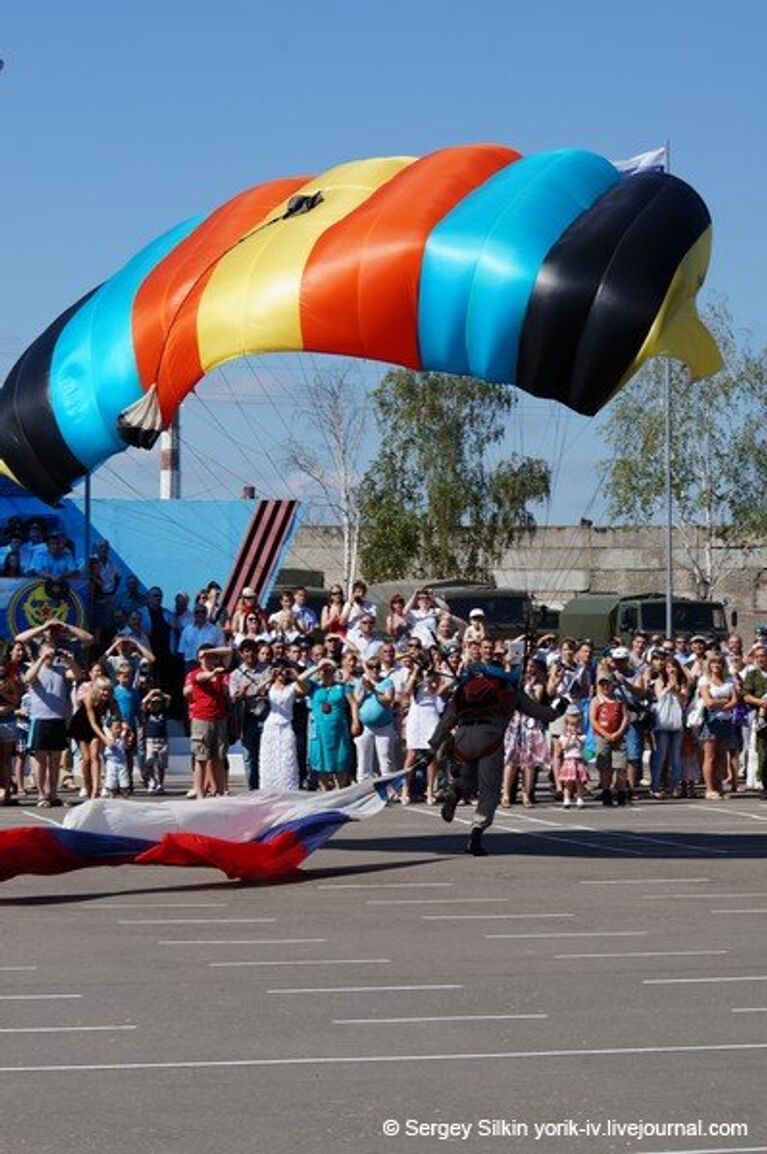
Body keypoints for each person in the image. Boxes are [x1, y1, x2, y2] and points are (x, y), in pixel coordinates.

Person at [432, 657, 565, 855]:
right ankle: (476, 834)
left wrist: (434, 743)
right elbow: (539, 713)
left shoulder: (465, 687)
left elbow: (448, 718)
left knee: (466, 779)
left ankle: (456, 792)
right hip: (490, 738)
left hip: (463, 737)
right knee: (489, 789)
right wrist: (558, 710)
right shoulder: (509, 690)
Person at [23, 639, 81, 807]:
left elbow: (77, 674)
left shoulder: (61, 670)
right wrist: (41, 660)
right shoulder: (36, 669)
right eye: (47, 652)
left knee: (55, 760)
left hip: (58, 719)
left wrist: (68, 659)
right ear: (40, 653)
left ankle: (53, 794)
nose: (51, 655)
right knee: (41, 760)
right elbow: (28, 678)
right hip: (40, 719)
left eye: (53, 651)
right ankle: (42, 795)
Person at [183, 644, 231, 799]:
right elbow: (201, 678)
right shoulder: (195, 673)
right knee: (201, 757)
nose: (210, 659)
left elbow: (229, 651)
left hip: (219, 718)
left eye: (212, 657)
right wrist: (212, 673)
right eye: (206, 657)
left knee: (219, 756)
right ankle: (200, 793)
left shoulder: (221, 674)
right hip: (202, 719)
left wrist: (210, 652)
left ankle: (219, 791)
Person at [299, 658, 354, 791]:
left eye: (329, 669)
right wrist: (317, 667)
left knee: (341, 761)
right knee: (321, 763)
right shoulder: (313, 686)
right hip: (319, 731)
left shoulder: (342, 687)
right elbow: (300, 679)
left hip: (339, 731)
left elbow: (353, 703)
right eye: (323, 669)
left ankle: (341, 792)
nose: (326, 671)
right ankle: (325, 794)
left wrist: (356, 721)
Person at [228, 640, 272, 790]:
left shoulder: (267, 670)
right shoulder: (235, 674)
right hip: (247, 718)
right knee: (249, 756)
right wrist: (243, 693)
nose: (250, 654)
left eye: (252, 650)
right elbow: (233, 698)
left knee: (266, 754)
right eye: (246, 651)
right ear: (241, 653)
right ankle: (252, 790)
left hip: (266, 716)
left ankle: (266, 787)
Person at [258, 661, 306, 792]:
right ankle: (269, 787)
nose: (281, 672)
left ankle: (288, 787)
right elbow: (259, 690)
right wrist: (270, 677)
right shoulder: (270, 686)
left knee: (287, 756)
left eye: (283, 670)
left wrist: (295, 676)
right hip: (271, 725)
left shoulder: (292, 686)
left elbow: (304, 689)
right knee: (270, 758)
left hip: (286, 725)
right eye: (278, 670)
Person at [698, 653, 740, 800]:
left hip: (726, 721)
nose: (716, 666)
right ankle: (709, 789)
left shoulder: (729, 680)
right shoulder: (705, 680)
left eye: (719, 663)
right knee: (709, 756)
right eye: (713, 663)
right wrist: (724, 701)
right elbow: (708, 702)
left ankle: (719, 787)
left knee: (722, 756)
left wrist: (720, 704)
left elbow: (735, 700)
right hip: (711, 721)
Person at [68, 668, 113, 800]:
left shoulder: (109, 700)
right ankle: (87, 786)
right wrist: (105, 738)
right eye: (103, 690)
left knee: (95, 756)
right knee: (86, 758)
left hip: (95, 727)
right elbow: (92, 722)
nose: (105, 693)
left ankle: (95, 790)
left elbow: (115, 715)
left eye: (108, 690)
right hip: (81, 725)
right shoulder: (89, 699)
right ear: (96, 690)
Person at [352, 656, 397, 781]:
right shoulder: (360, 683)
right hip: (365, 726)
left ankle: (388, 788)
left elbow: (388, 700)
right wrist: (364, 690)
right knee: (363, 757)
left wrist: (374, 690)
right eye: (371, 667)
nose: (375, 670)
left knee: (385, 756)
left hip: (384, 726)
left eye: (377, 667)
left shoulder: (387, 682)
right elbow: (356, 702)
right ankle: (363, 785)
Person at [590, 673, 629, 806]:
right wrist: (604, 734)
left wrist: (619, 732)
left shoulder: (619, 700)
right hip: (602, 736)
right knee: (605, 767)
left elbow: (625, 717)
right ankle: (606, 792)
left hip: (618, 736)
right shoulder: (597, 700)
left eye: (608, 684)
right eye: (603, 684)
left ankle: (621, 793)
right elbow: (593, 720)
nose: (605, 687)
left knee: (620, 766)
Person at [742, 643, 767, 798]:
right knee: (763, 752)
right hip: (761, 718)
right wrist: (761, 703)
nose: (760, 659)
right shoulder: (752, 675)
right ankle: (764, 784)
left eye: (762, 656)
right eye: (757, 657)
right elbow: (746, 695)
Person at [557, 706, 589, 809]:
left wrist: (576, 738)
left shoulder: (582, 737)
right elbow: (564, 747)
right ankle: (566, 799)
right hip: (568, 761)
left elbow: (581, 747)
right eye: (570, 725)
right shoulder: (563, 737)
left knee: (579, 782)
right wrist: (570, 738)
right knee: (568, 782)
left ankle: (580, 798)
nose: (572, 728)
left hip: (578, 761)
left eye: (575, 726)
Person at [141, 687, 171, 794]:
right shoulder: (147, 713)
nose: (155, 705)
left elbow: (168, 699)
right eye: (153, 703)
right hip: (150, 740)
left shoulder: (163, 711)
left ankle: (161, 784)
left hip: (162, 740)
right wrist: (151, 693)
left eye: (158, 703)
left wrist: (160, 694)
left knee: (161, 763)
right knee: (150, 761)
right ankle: (152, 780)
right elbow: (143, 702)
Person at [0, 655, 21, 805]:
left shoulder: (10, 682)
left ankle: (6, 792)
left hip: (8, 722)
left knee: (6, 759)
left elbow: (16, 701)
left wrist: (2, 693)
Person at [102, 718, 131, 799]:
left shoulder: (122, 737)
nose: (119, 730)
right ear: (110, 729)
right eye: (116, 728)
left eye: (120, 728)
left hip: (122, 763)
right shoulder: (108, 738)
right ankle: (112, 797)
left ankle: (125, 797)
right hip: (111, 763)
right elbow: (105, 729)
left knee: (124, 783)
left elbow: (128, 735)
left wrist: (126, 729)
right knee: (111, 783)